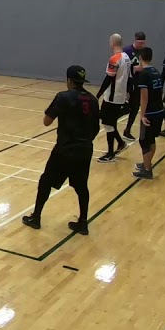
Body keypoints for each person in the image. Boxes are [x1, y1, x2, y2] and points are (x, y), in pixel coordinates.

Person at [22, 65, 99, 235]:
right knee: (81, 187)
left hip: (64, 149)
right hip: (85, 149)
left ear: (69, 80)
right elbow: (95, 128)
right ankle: (83, 223)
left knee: (46, 181)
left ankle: (36, 217)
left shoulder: (63, 97)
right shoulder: (93, 100)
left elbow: (47, 121)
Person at [94, 33, 131, 163]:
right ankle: (121, 143)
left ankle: (110, 153)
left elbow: (109, 78)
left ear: (112, 43)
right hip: (120, 96)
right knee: (110, 122)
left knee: (108, 124)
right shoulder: (127, 57)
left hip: (112, 97)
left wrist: (98, 94)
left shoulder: (115, 59)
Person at [131, 47, 165, 180]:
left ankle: (147, 170)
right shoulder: (155, 71)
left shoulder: (144, 74)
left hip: (150, 113)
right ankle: (147, 163)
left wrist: (142, 114)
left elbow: (144, 96)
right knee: (151, 140)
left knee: (144, 141)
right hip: (159, 110)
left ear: (140, 58)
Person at [122, 31, 147, 140]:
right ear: (135, 40)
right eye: (139, 42)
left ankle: (127, 129)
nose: (141, 45)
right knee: (126, 107)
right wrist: (132, 68)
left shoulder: (144, 52)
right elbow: (122, 67)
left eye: (143, 43)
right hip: (128, 83)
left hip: (139, 83)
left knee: (136, 107)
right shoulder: (127, 51)